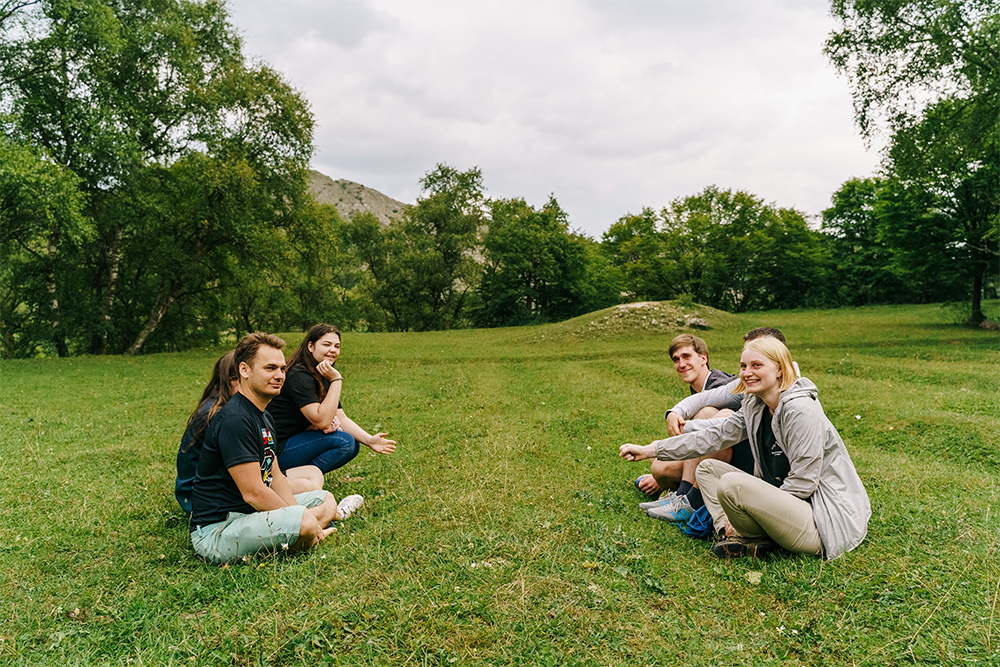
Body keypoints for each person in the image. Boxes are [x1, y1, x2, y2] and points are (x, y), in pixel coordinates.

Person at [620, 337, 870, 560]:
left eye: (756, 365)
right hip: (787, 506)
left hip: (819, 521)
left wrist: (752, 512)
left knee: (732, 484)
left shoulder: (800, 410)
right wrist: (652, 450)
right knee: (707, 469)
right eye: (743, 366)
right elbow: (713, 437)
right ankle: (734, 538)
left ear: (780, 370)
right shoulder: (756, 405)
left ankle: (743, 533)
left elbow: (804, 482)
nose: (747, 373)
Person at [190, 332, 363, 565]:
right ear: (244, 370)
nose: (279, 375)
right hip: (219, 530)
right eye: (270, 368)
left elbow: (276, 475)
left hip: (250, 514)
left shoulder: (264, 416)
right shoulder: (235, 419)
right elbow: (253, 492)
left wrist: (295, 515)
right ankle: (309, 533)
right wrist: (298, 519)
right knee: (305, 519)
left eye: (282, 369)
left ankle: (305, 530)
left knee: (326, 500)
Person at [175, 351, 323, 516]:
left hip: (244, 479)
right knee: (307, 487)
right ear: (235, 379)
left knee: (313, 473)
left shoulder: (248, 411)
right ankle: (319, 515)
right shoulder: (223, 416)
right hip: (205, 496)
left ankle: (317, 513)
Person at [634, 334, 754, 525]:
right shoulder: (700, 388)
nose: (681, 364)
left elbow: (720, 432)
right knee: (655, 454)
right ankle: (678, 492)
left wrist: (683, 429)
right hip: (713, 450)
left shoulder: (722, 385)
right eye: (676, 360)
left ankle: (685, 496)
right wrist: (673, 414)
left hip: (733, 458)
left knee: (660, 467)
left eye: (686, 356)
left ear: (703, 358)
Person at [268, 324, 396, 480]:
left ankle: (302, 480)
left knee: (353, 442)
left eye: (337, 346)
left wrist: (369, 440)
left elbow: (341, 418)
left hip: (294, 441)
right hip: (274, 451)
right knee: (344, 441)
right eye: (327, 345)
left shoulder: (321, 374)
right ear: (311, 346)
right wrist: (337, 379)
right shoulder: (299, 375)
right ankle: (288, 481)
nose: (333, 350)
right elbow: (321, 420)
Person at [175, 352, 239, 514]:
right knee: (303, 485)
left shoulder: (225, 407)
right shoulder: (218, 415)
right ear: (232, 380)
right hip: (200, 497)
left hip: (213, 489)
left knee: (308, 477)